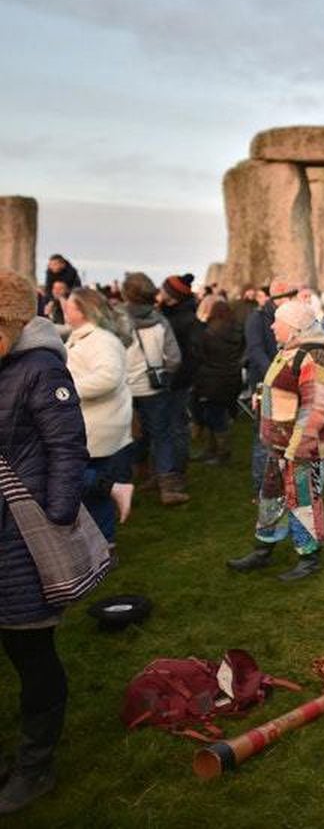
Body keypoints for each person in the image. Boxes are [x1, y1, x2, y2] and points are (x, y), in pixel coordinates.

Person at [0, 271, 87, 814]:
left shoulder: (40, 368)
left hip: (21, 538)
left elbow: (66, 447)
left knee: (31, 653)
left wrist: (54, 515)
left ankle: (36, 765)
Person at [226, 299, 324, 581]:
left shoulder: (313, 357)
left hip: (301, 449)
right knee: (271, 498)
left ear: (295, 327)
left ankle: (309, 559)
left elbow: (315, 408)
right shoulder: (287, 351)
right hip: (279, 448)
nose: (272, 325)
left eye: (278, 321)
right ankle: (263, 550)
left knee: (302, 502)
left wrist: (295, 448)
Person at [63, 288, 134, 544]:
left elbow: (108, 378)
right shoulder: (82, 337)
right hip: (89, 422)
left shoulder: (101, 340)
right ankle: (97, 542)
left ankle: (105, 544)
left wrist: (65, 391)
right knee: (88, 485)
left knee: (93, 488)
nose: (65, 309)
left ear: (83, 310)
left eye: (69, 306)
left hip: (99, 425)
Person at [121, 272, 187, 505]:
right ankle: (167, 486)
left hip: (124, 389)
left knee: (132, 435)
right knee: (162, 435)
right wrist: (162, 371)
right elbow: (174, 358)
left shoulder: (117, 321)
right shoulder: (160, 321)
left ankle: (137, 476)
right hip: (154, 388)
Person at [244, 278, 295, 495]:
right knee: (263, 439)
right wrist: (276, 376)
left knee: (286, 435)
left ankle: (284, 483)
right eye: (288, 297)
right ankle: (262, 487)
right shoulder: (256, 319)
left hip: (287, 384)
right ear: (277, 298)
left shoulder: (290, 317)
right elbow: (255, 352)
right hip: (265, 383)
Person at [160, 274, 202, 490]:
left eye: (164, 289)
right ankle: (165, 472)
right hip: (166, 381)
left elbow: (192, 357)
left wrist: (176, 380)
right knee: (166, 428)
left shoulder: (187, 320)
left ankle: (177, 473)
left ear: (172, 295)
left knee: (177, 427)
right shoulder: (166, 314)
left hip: (177, 383)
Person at [191, 299, 245, 465]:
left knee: (214, 416)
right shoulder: (238, 331)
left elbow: (200, 355)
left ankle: (222, 453)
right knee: (218, 414)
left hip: (212, 379)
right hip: (232, 378)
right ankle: (212, 450)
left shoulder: (208, 332)